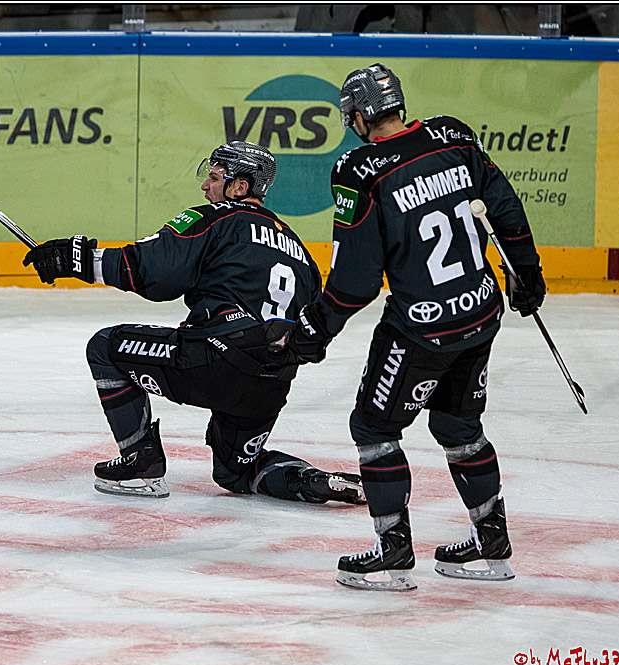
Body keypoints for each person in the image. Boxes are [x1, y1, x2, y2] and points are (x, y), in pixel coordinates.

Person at [289, 63, 546, 590]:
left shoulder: (360, 170)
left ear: (362, 115)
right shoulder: (453, 135)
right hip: (480, 314)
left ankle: (393, 553)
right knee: (458, 427)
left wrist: (317, 327)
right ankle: (491, 542)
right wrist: (526, 271)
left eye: (351, 116)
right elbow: (504, 206)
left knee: (374, 428)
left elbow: (356, 280)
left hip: (421, 329)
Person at [22, 141, 364, 506]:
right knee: (235, 472)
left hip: (212, 359)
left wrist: (78, 260)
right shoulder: (302, 253)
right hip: (269, 385)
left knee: (105, 347)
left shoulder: (216, 219)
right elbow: (313, 328)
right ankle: (310, 480)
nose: (205, 186)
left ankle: (140, 462)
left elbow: (153, 270)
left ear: (240, 187)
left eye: (215, 178)